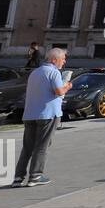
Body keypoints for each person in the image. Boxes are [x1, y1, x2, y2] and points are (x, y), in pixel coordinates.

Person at [10, 47, 73, 187]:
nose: (64, 63)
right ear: (54, 60)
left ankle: (18, 178)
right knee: (41, 146)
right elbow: (58, 91)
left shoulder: (35, 72)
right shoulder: (54, 72)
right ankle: (35, 176)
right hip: (48, 114)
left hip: (30, 113)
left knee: (27, 147)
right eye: (63, 59)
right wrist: (67, 86)